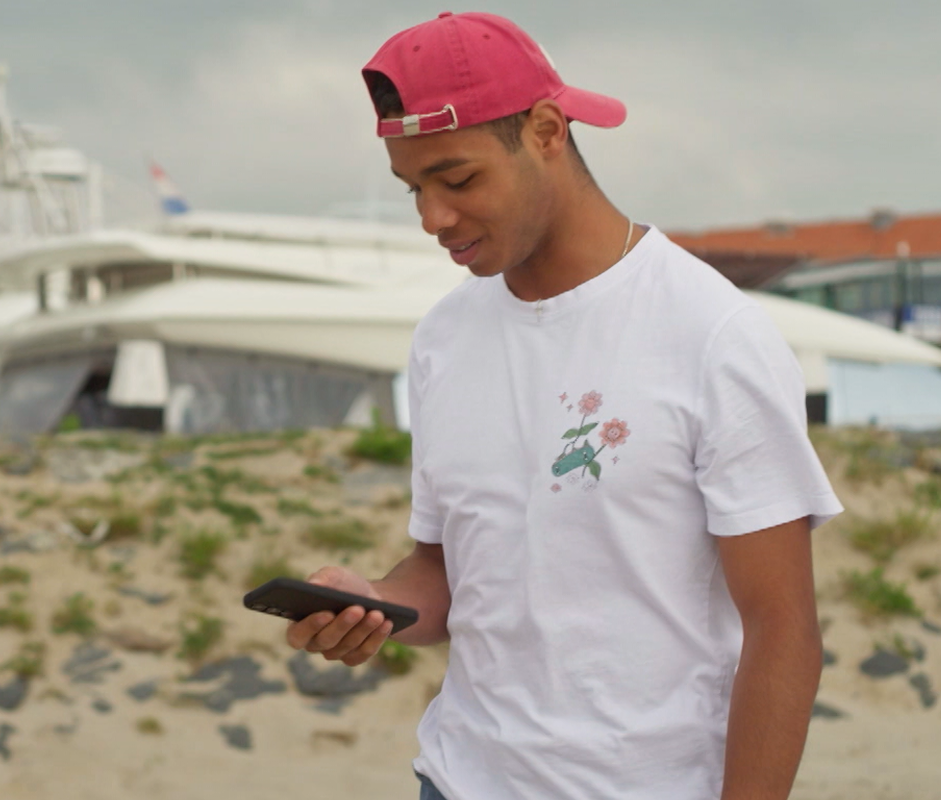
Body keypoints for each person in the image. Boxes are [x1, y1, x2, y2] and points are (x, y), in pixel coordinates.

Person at [281, 12, 843, 800]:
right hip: (458, 779)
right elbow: (445, 571)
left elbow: (783, 632)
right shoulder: (444, 338)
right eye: (414, 189)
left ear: (546, 130)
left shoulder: (712, 333)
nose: (432, 218)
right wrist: (373, 605)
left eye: (458, 179)